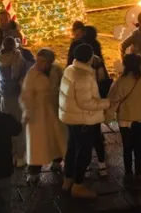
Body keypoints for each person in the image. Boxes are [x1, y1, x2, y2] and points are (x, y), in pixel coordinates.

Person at [58, 43, 109, 199]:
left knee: (72, 149)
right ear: (88, 57)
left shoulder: (70, 69)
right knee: (84, 153)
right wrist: (106, 103)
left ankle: (68, 180)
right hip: (83, 120)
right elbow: (86, 102)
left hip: (72, 117)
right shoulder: (83, 76)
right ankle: (78, 186)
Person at [107, 53, 141, 179]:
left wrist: (107, 118)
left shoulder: (120, 82)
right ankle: (139, 173)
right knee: (138, 148)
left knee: (127, 147)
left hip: (125, 120)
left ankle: (128, 172)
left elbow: (112, 100)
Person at [20, 48, 67, 177]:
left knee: (57, 139)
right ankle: (34, 173)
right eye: (38, 60)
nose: (39, 64)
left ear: (50, 62)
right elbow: (26, 95)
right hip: (38, 112)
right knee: (38, 144)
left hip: (54, 109)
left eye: (43, 61)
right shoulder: (32, 74)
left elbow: (63, 84)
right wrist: (28, 111)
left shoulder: (56, 70)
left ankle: (57, 161)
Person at [0, 36, 31, 168]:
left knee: (6, 125)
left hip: (4, 94)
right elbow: (24, 72)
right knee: (19, 125)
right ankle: (20, 156)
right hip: (16, 94)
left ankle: (9, 153)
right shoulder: (18, 58)